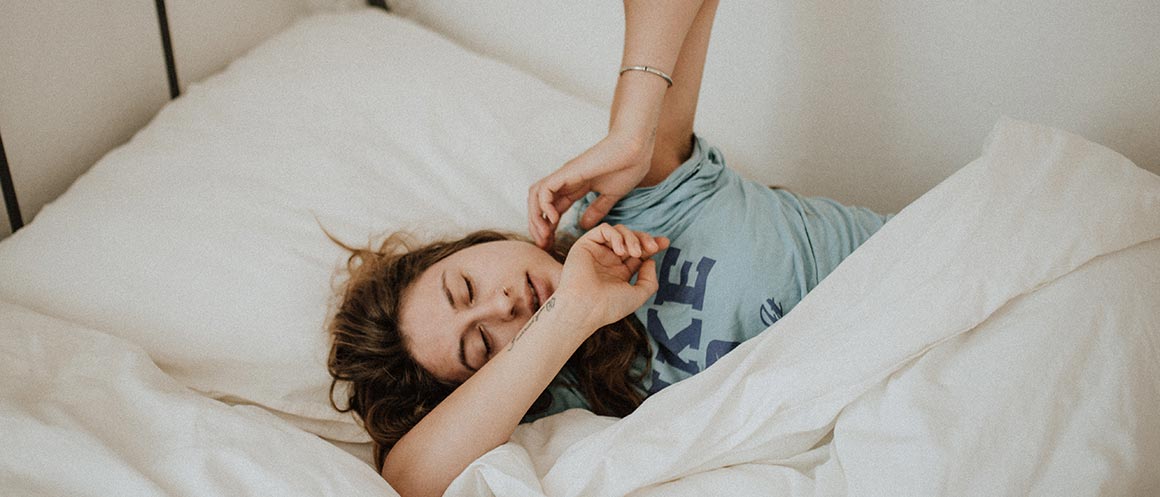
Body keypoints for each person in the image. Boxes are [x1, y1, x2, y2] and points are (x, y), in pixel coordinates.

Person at [326, 1, 890, 496]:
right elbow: (411, 482)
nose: (501, 309)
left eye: (465, 288)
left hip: (921, 277)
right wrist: (568, 314)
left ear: (483, 243)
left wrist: (631, 130)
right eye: (479, 346)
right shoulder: (566, 403)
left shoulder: (633, 203)